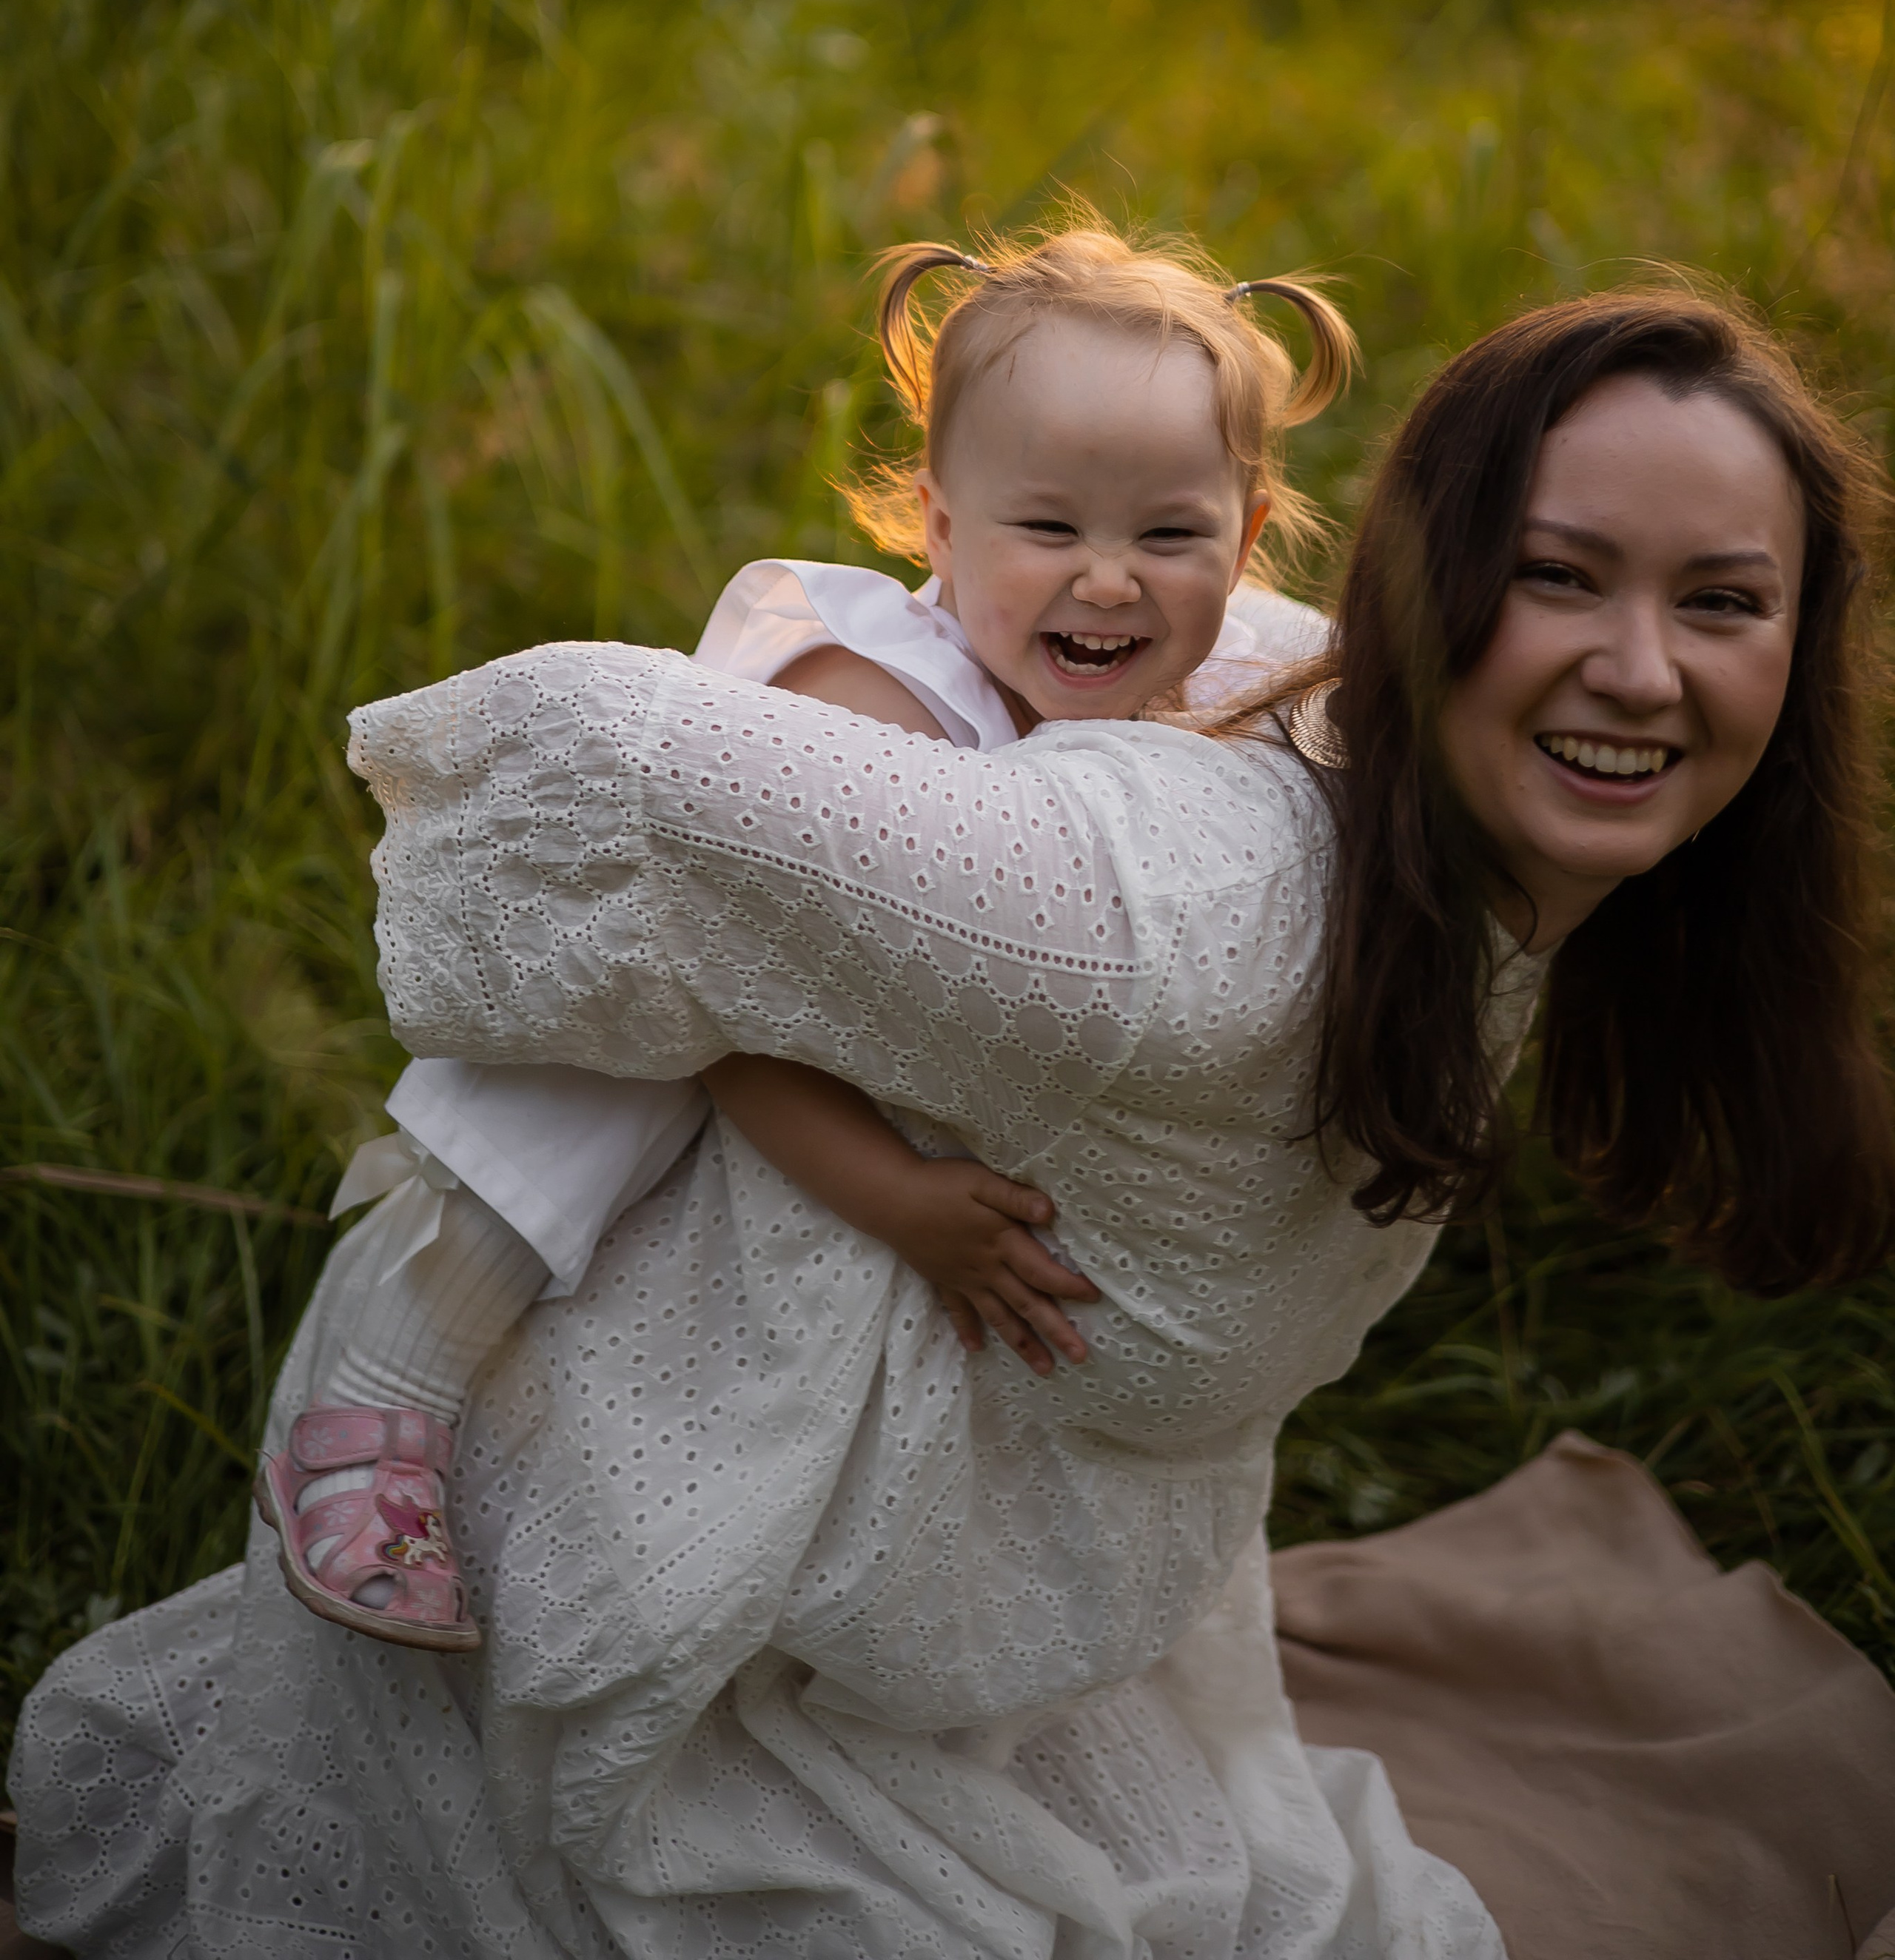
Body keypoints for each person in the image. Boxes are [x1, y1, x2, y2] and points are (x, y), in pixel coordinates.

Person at [16, 285, 1895, 1960]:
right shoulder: (1150, 915)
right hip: (675, 1570)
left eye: (1717, 601)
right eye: (1561, 575)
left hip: (984, 1583)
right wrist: (869, 967)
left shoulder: (1398, 774)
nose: (1642, 668)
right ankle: (392, 1425)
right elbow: (602, 779)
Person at [253, 222, 1355, 1651]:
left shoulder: (1165, 687)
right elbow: (735, 1018)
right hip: (677, 999)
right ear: (941, 528)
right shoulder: (875, 700)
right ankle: (372, 1415)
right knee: (565, 1146)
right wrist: (896, 1196)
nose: (1107, 581)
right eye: (1049, 529)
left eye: (1169, 535)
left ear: (1247, 540)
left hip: (798, 1023)